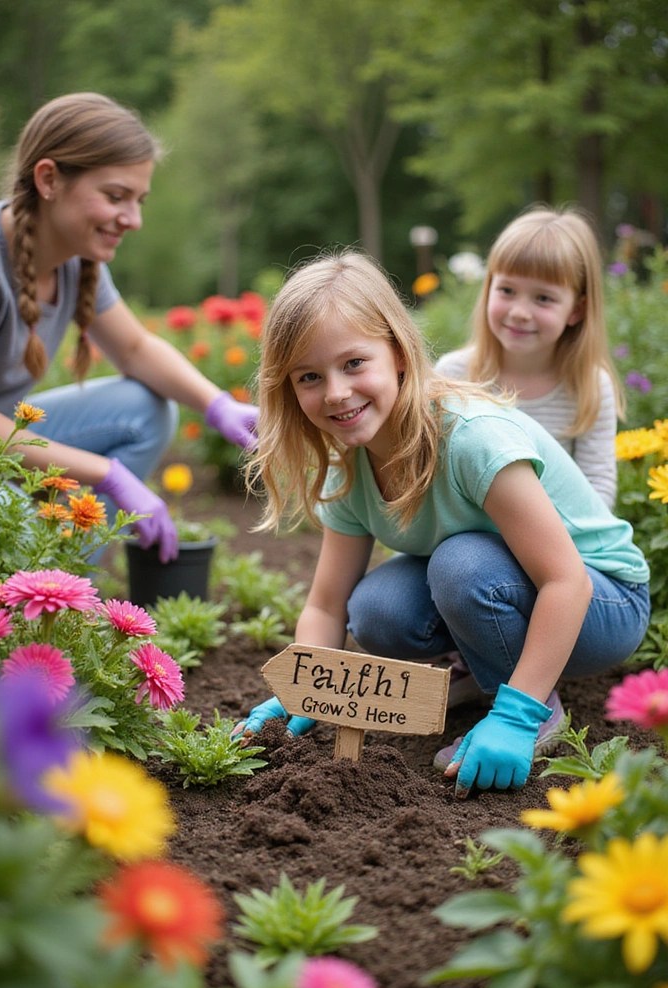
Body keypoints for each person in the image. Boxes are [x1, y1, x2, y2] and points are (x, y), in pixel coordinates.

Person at [232, 250, 650, 798]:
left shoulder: (471, 438)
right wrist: (304, 683)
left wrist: (517, 718)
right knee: (377, 608)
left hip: (602, 599)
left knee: (461, 565)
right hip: (511, 584)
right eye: (310, 376)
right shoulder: (349, 463)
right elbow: (327, 604)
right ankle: (485, 672)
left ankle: (532, 707)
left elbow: (565, 581)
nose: (335, 392)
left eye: (355, 363)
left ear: (399, 355)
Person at [0, 92, 258, 563]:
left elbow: (136, 349)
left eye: (139, 200)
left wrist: (217, 405)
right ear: (48, 179)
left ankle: (72, 580)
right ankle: (35, 582)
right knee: (16, 528)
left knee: (146, 409)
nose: (134, 220)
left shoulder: (78, 257)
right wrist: (107, 474)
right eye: (116, 197)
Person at [436, 205, 623, 509]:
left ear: (576, 310)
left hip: (559, 541)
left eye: (543, 298)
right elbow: (435, 477)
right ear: (488, 290)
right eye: (507, 290)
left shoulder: (588, 386)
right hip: (470, 532)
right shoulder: (455, 375)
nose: (520, 313)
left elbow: (597, 488)